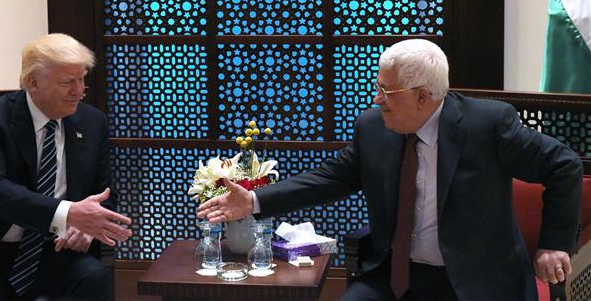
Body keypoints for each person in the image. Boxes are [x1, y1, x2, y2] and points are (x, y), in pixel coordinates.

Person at [198, 39, 583, 300]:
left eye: (387, 92)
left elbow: (563, 165)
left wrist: (553, 243)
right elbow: (331, 178)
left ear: (423, 97)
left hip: (479, 281)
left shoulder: (488, 125)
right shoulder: (374, 128)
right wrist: (254, 200)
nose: (378, 100)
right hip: (398, 278)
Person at [0, 33, 133, 301]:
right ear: (33, 83)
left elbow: (104, 194)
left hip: (54, 252)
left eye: (81, 79)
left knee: (93, 278)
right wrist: (69, 214)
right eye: (68, 82)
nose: (78, 90)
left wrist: (87, 226)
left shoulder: (92, 122)